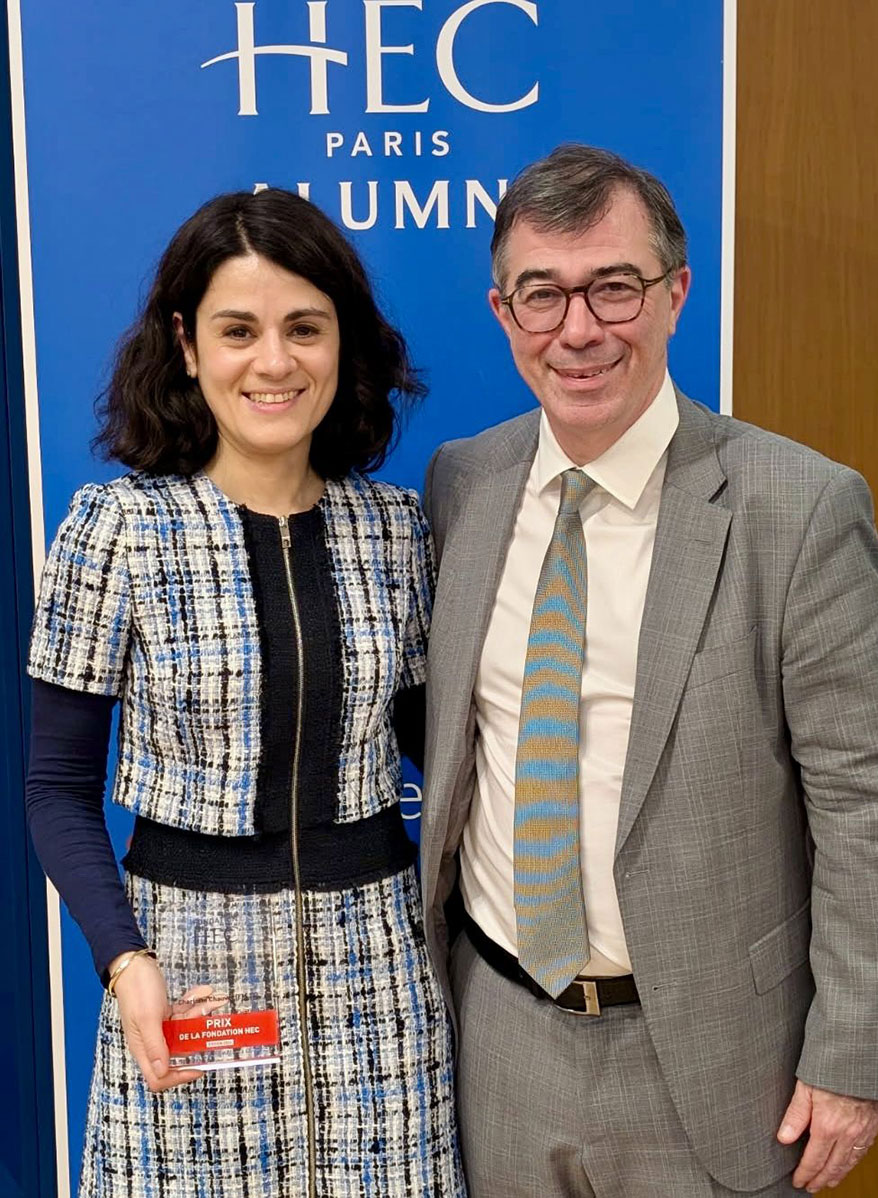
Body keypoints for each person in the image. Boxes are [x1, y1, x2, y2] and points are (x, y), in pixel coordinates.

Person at [419, 143, 878, 1197]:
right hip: (500, 1035)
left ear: (675, 292)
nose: (580, 328)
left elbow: (870, 803)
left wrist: (853, 1057)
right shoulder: (463, 483)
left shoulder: (798, 508)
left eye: (615, 286)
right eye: (542, 294)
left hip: (715, 1058)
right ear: (502, 311)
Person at [26, 187, 465, 1198]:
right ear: (186, 345)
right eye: (239, 330)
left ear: (342, 344)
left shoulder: (395, 531)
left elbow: (447, 757)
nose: (274, 361)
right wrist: (125, 962)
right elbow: (54, 782)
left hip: (381, 985)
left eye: (304, 328)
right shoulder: (117, 531)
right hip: (188, 975)